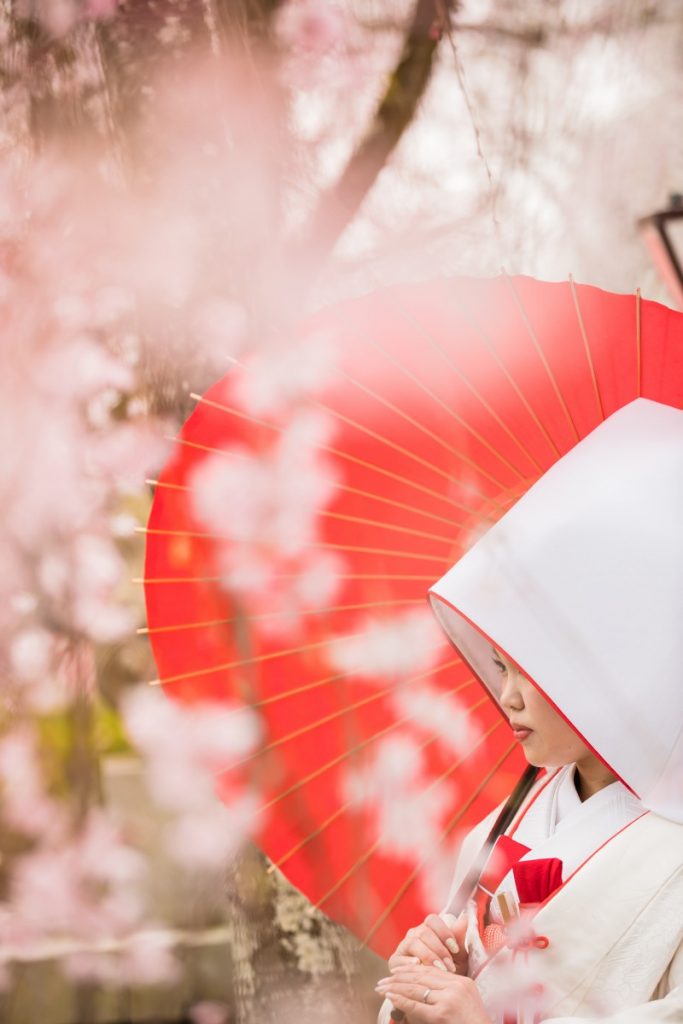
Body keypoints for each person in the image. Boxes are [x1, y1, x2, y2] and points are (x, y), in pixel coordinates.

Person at [375, 398, 683, 1023]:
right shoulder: (498, 830)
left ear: (612, 662)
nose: (507, 696)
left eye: (530, 668)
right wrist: (428, 986)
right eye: (499, 666)